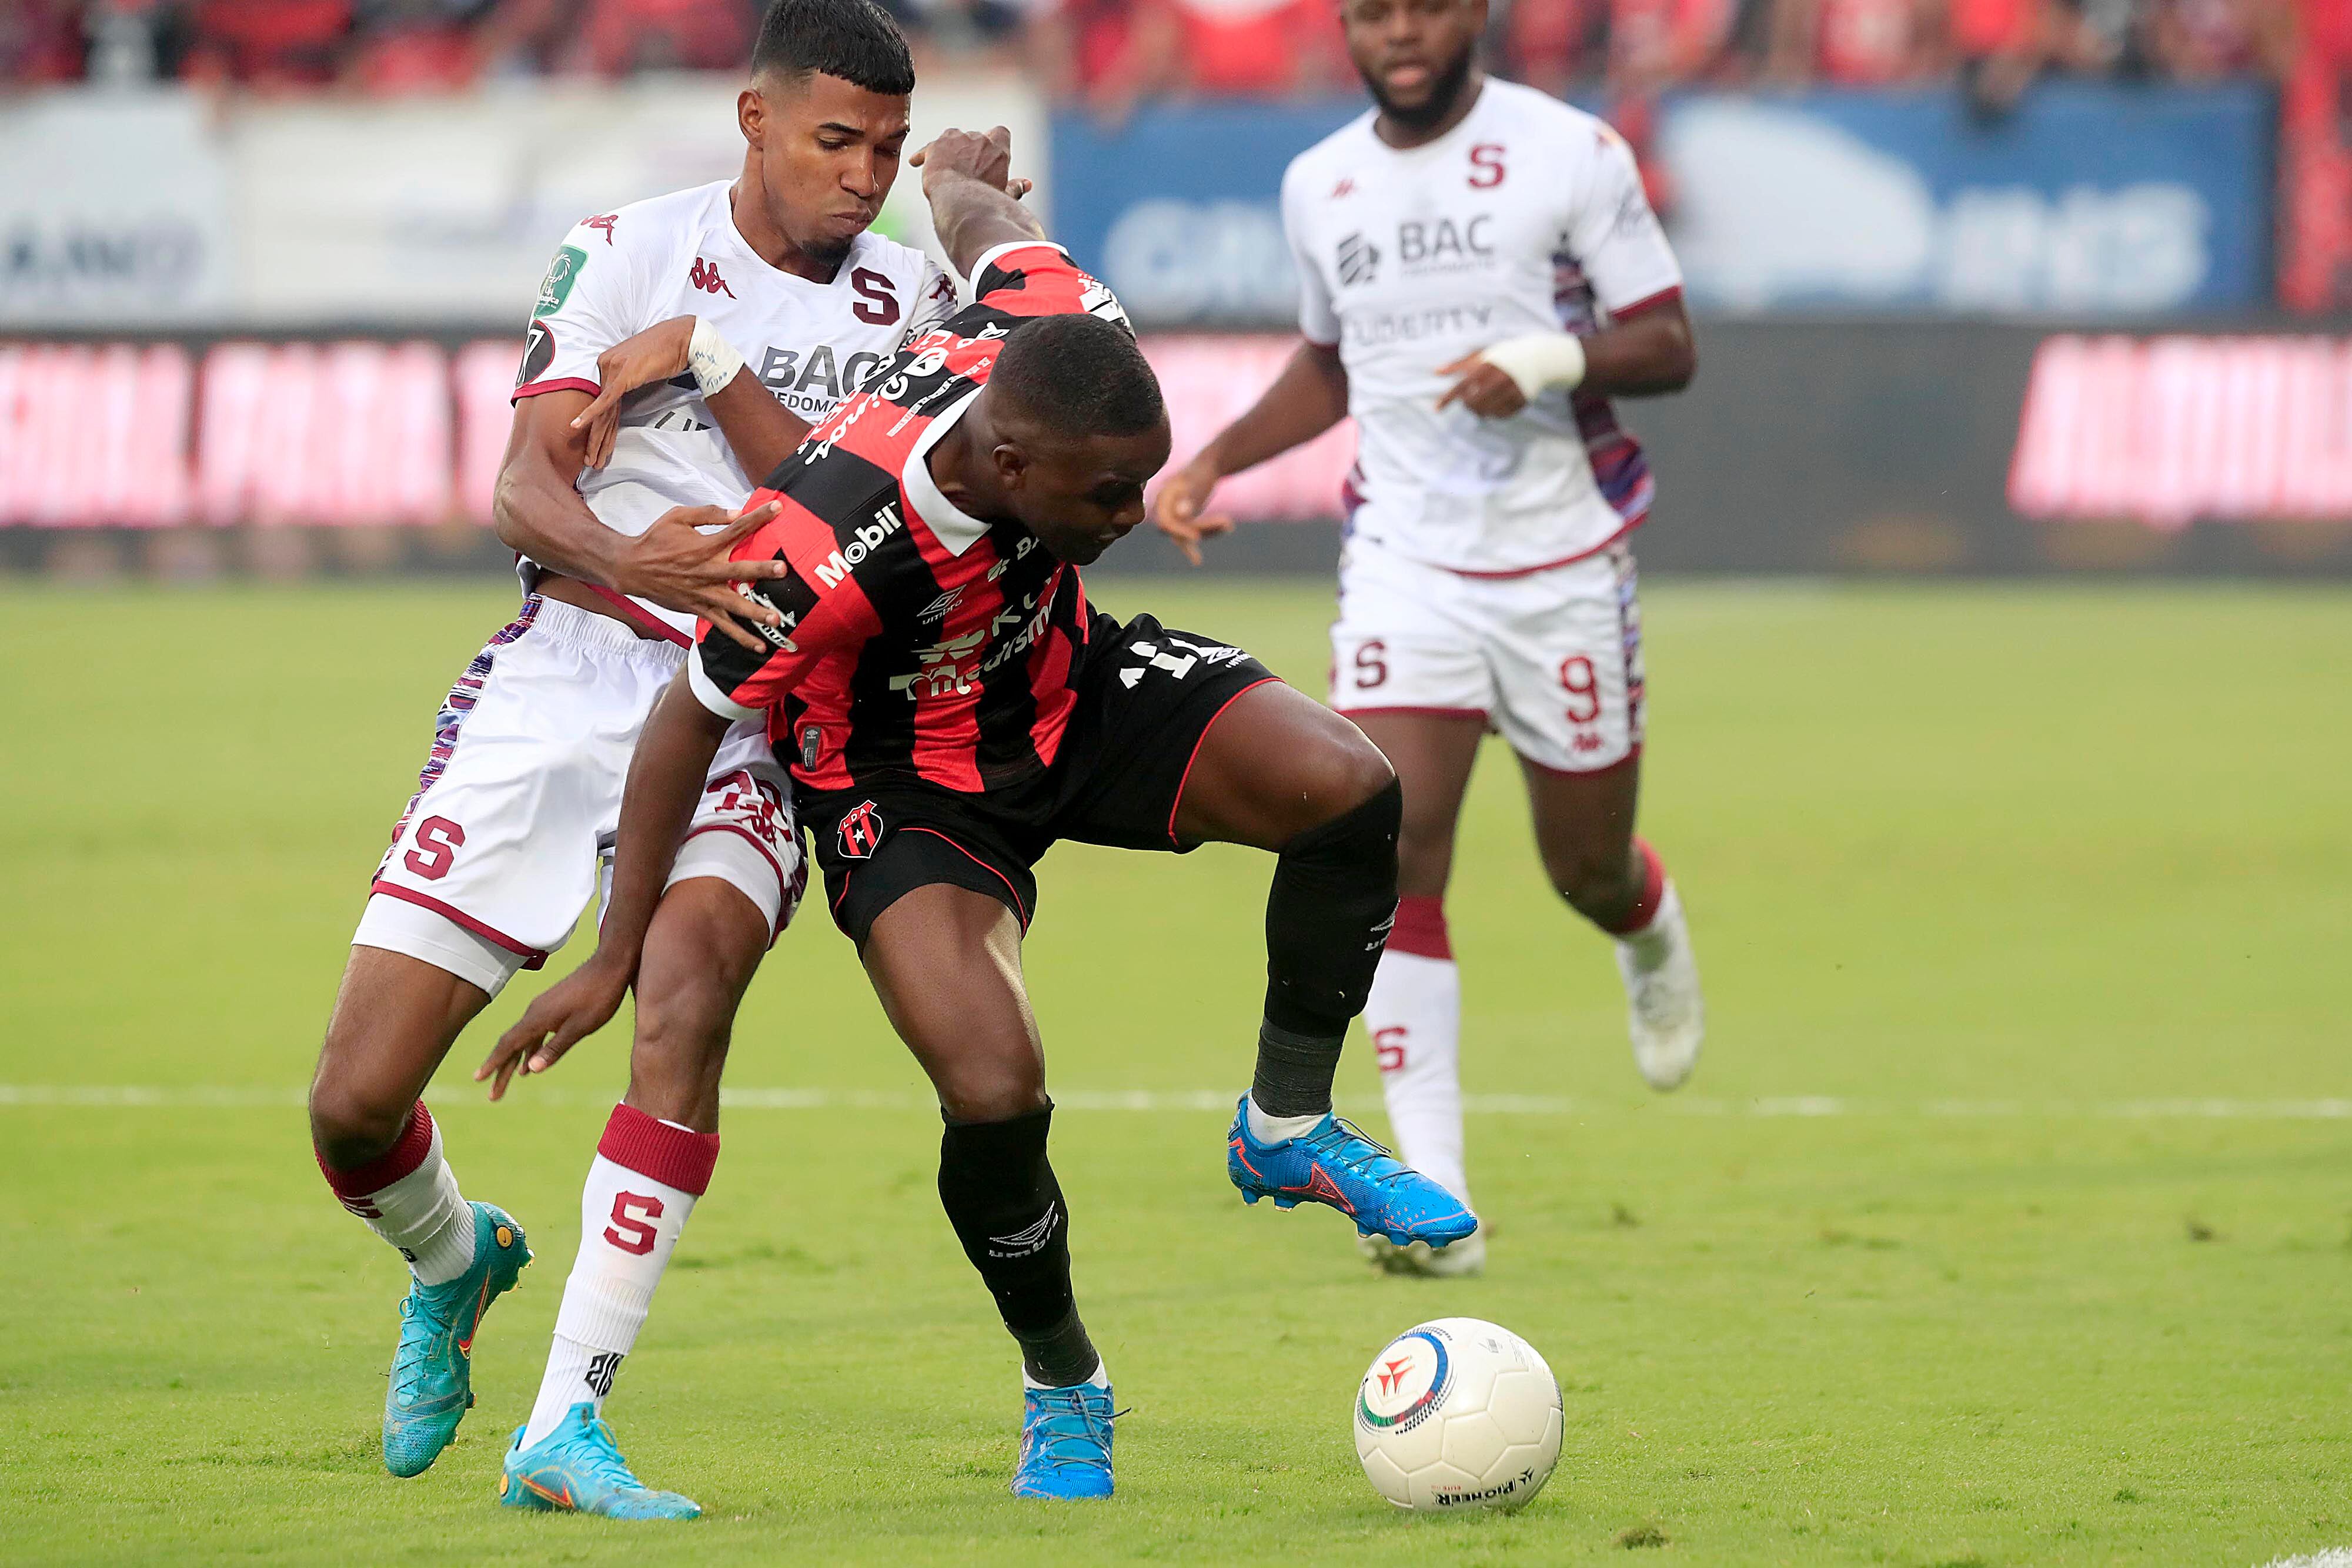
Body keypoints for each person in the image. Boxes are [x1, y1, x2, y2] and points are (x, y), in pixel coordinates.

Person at [490, 123, 1476, 1503]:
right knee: (993, 1086)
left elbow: (975, 222)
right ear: (1008, 465)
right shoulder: (818, 553)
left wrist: (955, 175)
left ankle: (1287, 1124)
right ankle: (1063, 1381)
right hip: (902, 783)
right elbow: (687, 720)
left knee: (1354, 789)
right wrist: (614, 950)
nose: (1134, 509)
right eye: (1106, 491)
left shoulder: (1054, 314)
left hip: (1070, 690)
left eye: (1141, 476)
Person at [303, 0, 956, 1519]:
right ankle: (459, 1258)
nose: (866, 178)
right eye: (836, 141)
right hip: (565, 674)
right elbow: (524, 485)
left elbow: (854, 506)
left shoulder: (910, 303)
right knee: (352, 1102)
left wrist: (711, 376)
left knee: (686, 995)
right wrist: (627, 556)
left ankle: (563, 1424)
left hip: (754, 703)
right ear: (755, 120)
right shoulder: (621, 249)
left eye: (890, 151)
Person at [1151, 0, 1705, 1279]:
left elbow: (1667, 342)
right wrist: (1217, 457)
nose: (1396, 33)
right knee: (1393, 842)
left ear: (1472, 14)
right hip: (1404, 560)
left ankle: (1646, 924)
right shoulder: (1320, 181)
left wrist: (1546, 358)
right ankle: (1438, 1193)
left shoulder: (1570, 151)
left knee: (1582, 868)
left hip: (1562, 560)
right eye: (1370, 14)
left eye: (1421, 8)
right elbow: (1331, 363)